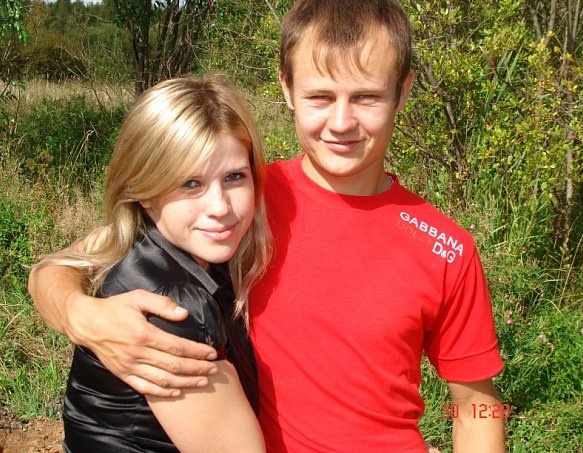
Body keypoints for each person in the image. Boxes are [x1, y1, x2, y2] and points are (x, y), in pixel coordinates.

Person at [29, 1, 505, 451]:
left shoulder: (446, 249)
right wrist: (80, 315)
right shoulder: (240, 198)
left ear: (402, 91)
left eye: (366, 97)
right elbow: (62, 266)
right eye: (320, 96)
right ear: (286, 88)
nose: (342, 122)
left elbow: (476, 406)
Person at [34, 75, 271, 452]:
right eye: (190, 183)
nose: (220, 207)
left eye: (234, 177)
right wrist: (76, 312)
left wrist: (74, 310)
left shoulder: (151, 236)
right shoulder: (171, 312)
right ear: (145, 190)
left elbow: (57, 264)